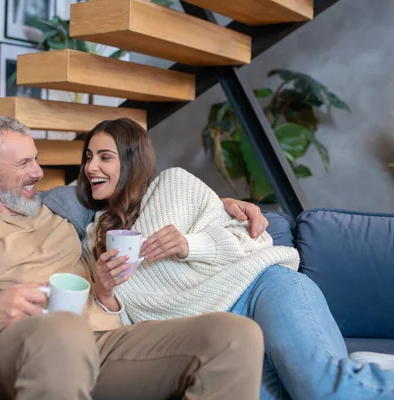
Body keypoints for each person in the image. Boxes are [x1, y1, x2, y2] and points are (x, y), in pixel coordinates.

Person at [0, 116, 267, 400]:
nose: (38, 173)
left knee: (234, 336)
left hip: (106, 341)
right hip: (24, 344)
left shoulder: (64, 203)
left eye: (37, 160)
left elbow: (135, 189)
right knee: (64, 328)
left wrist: (222, 205)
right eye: (24, 164)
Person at [76, 117, 394, 400]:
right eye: (88, 158)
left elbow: (253, 239)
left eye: (105, 157)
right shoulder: (94, 239)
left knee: (323, 388)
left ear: (133, 161)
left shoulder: (173, 184)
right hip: (217, 338)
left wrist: (189, 245)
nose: (91, 167)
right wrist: (104, 293)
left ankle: (352, 375)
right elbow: (129, 327)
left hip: (260, 288)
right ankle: (362, 369)